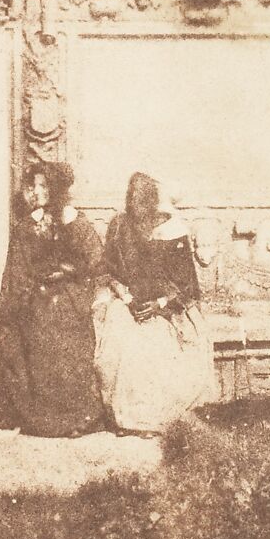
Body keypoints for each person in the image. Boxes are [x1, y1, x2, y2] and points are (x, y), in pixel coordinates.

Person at [94, 172, 215, 437]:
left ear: (152, 201)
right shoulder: (119, 227)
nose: (134, 202)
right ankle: (125, 419)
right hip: (127, 301)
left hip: (168, 309)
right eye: (131, 196)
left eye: (140, 197)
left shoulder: (172, 231)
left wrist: (159, 305)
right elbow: (108, 270)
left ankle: (149, 419)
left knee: (153, 347)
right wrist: (125, 298)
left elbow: (187, 287)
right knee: (120, 337)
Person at [0, 161, 106, 437]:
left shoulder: (73, 220)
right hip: (38, 294)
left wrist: (68, 271)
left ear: (57, 188)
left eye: (43, 185)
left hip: (71, 296)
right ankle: (46, 420)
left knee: (69, 342)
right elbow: (18, 266)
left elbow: (95, 260)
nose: (37, 191)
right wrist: (27, 292)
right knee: (39, 331)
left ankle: (77, 419)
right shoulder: (26, 225)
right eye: (33, 186)